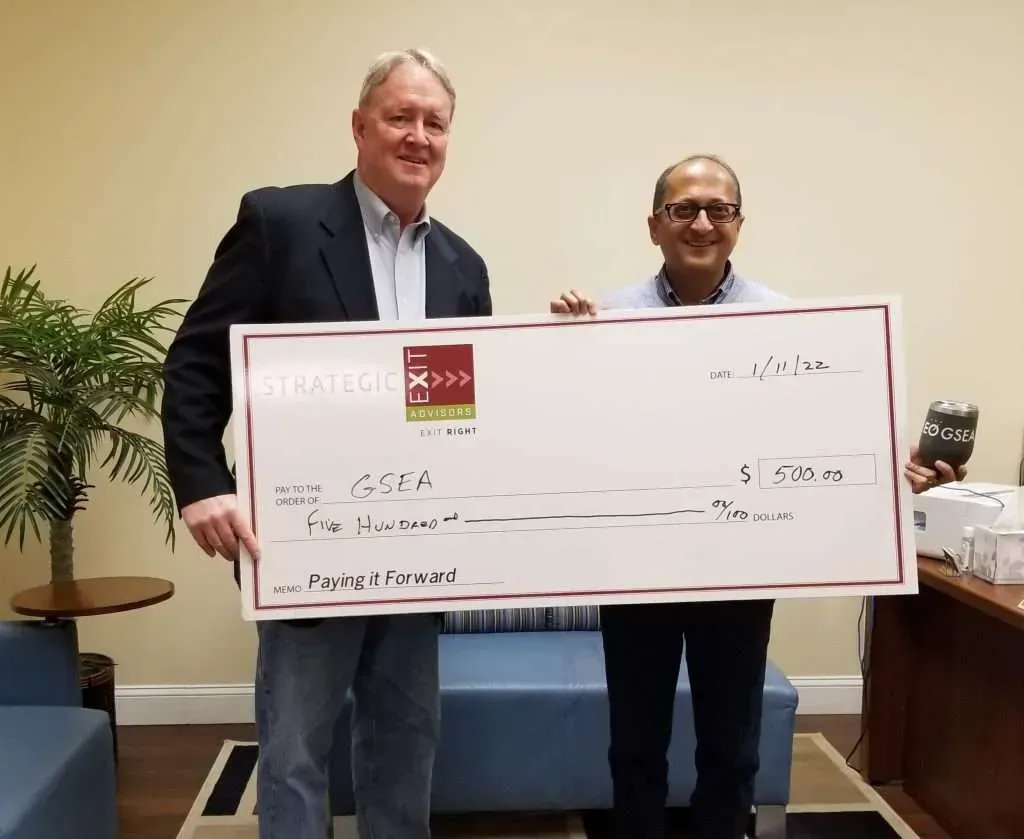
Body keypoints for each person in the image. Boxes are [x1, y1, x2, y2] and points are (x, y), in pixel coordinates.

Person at [550, 154, 965, 839]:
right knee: (634, 744)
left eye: (720, 209)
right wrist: (555, 349)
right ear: (655, 225)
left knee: (730, 745)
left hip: (738, 567)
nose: (702, 222)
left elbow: (830, 428)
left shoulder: (784, 322)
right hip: (636, 566)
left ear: (740, 223)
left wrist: (895, 464)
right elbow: (566, 428)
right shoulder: (606, 316)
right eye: (684, 209)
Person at [160, 49, 490, 839]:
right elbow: (195, 362)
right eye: (400, 116)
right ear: (360, 126)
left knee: (407, 740)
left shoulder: (463, 268)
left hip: (417, 554)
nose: (418, 135)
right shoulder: (279, 223)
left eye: (434, 122)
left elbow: (467, 416)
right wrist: (204, 482)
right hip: (308, 548)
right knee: (296, 747)